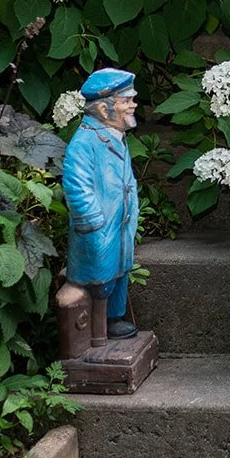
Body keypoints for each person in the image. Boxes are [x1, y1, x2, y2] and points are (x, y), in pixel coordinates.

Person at [62, 68, 142, 345]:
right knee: (99, 279)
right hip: (99, 226)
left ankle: (114, 319)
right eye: (127, 100)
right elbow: (77, 186)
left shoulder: (116, 136)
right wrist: (92, 221)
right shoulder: (84, 143)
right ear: (105, 109)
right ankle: (96, 333)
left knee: (119, 271)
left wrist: (134, 209)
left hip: (119, 222)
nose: (133, 105)